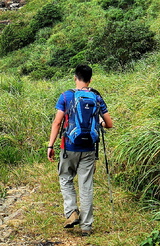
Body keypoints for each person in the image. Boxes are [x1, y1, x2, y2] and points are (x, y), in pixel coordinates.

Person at [46, 64, 112, 236]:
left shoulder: (66, 96)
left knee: (65, 178)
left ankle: (71, 212)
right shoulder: (96, 97)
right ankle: (86, 226)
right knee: (86, 185)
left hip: (69, 147)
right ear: (90, 79)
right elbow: (109, 124)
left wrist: (50, 145)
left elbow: (57, 123)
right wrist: (100, 123)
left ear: (75, 78)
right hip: (89, 148)